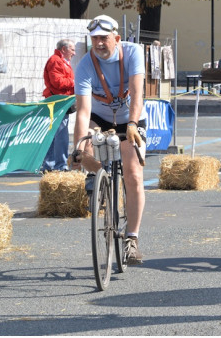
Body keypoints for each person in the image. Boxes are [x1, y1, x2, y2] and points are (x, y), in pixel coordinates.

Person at [71, 14, 147, 264]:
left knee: (133, 173)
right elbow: (82, 111)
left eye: (104, 38)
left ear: (117, 38)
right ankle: (96, 177)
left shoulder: (133, 52)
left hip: (130, 118)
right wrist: (79, 148)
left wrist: (134, 124)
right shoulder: (84, 64)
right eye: (95, 39)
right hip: (100, 117)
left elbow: (137, 94)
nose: (99, 43)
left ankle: (131, 239)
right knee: (87, 145)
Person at [41, 39, 76, 172]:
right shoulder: (56, 60)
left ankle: (49, 164)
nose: (74, 53)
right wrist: (74, 82)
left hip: (61, 101)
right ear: (63, 49)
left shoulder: (61, 61)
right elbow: (57, 82)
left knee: (56, 133)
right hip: (58, 102)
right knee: (61, 134)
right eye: (72, 50)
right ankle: (60, 165)